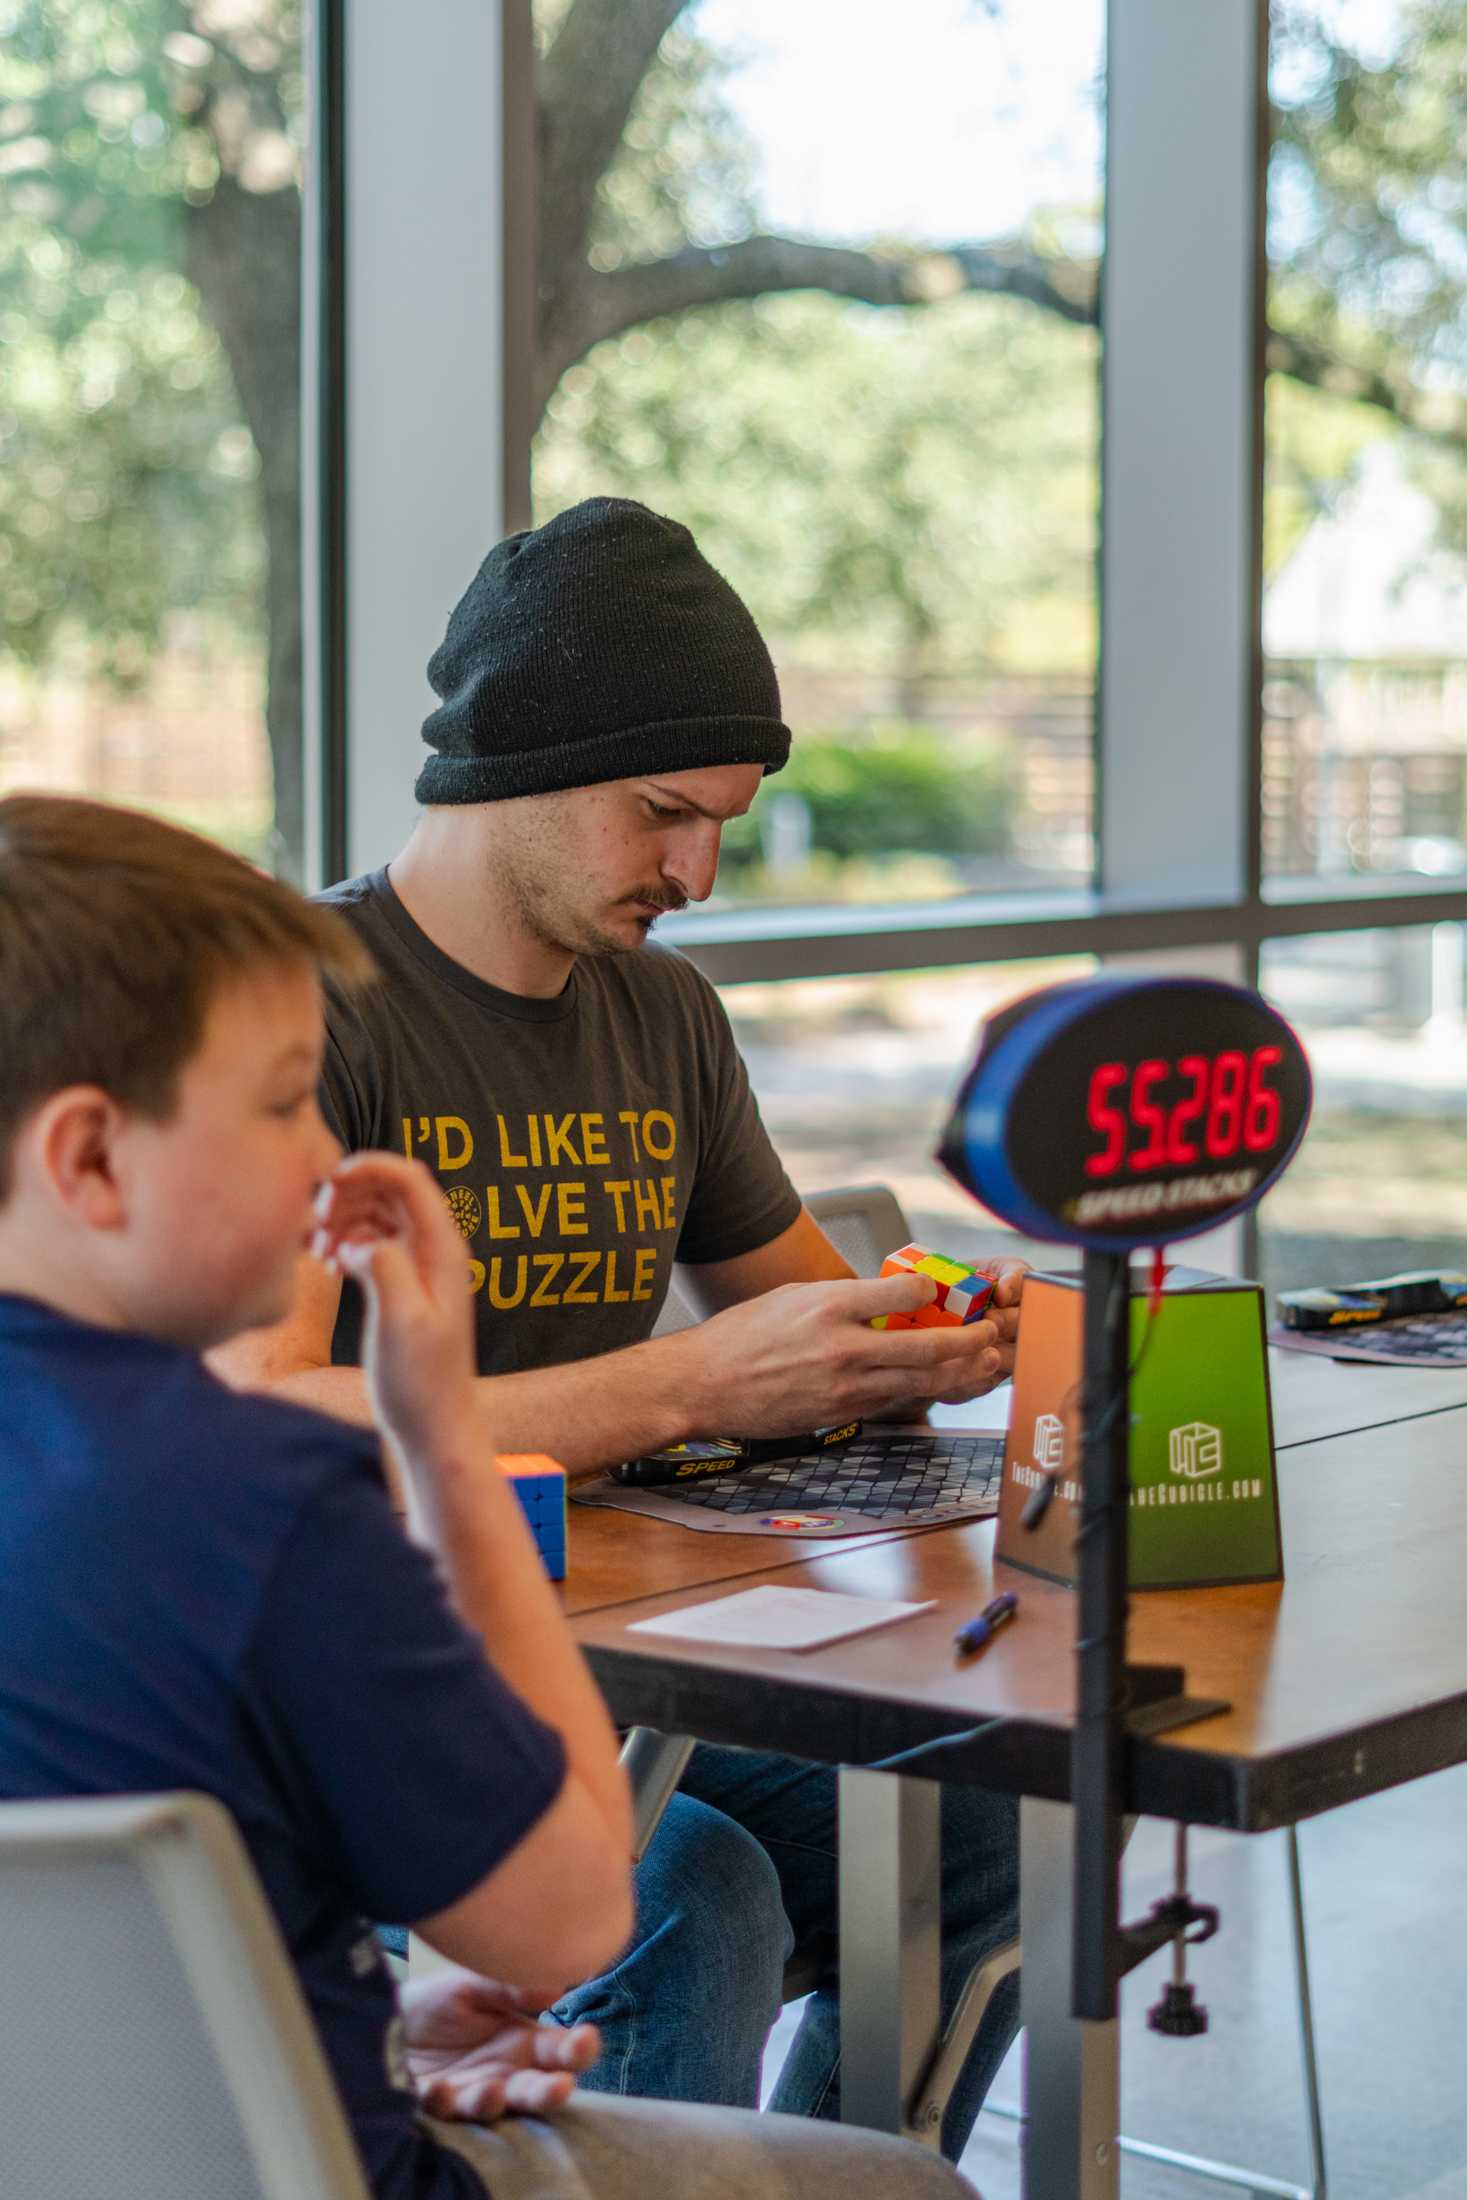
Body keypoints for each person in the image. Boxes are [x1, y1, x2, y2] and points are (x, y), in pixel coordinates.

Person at [0, 792, 972, 2200]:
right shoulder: (263, 1499)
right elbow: (572, 1919)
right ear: (89, 1159)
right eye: (282, 1104)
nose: (326, 1160)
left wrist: (357, 2032)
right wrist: (442, 1438)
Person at [219, 496, 1024, 2156]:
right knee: (693, 1891)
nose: (698, 873)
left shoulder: (661, 1010)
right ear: (510, 756)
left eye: (724, 822)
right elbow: (272, 1416)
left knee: (983, 1818)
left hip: (606, 1672)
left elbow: (793, 1306)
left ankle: (834, 2192)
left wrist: (916, 1333)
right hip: (354, 1692)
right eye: (665, 813)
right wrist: (687, 1383)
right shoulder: (304, 1004)